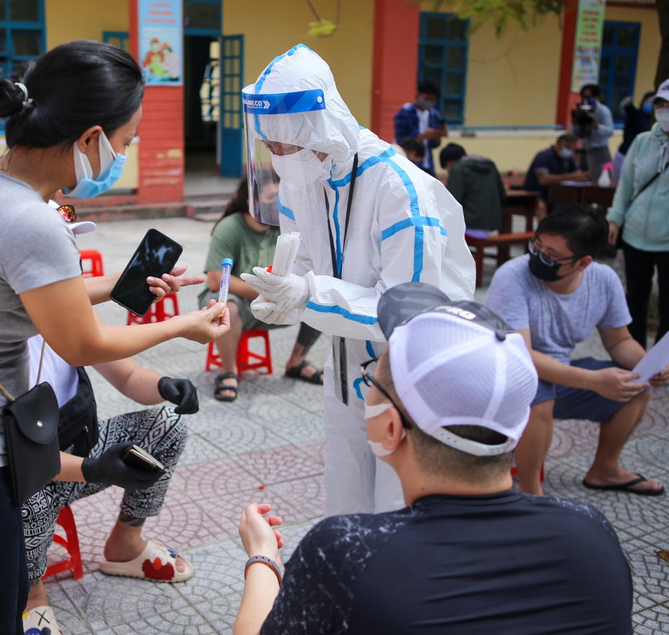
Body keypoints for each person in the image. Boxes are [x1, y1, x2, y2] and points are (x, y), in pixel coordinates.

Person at [0, 40, 228, 635]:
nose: (125, 152)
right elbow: (83, 346)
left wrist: (122, 282)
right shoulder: (34, 222)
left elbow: (27, 287)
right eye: (125, 141)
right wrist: (186, 326)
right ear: (90, 138)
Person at [234, 282, 633, 634]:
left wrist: (263, 556)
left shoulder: (345, 551)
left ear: (390, 427)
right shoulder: (591, 531)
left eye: (373, 378)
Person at [239, 44, 476, 516]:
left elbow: (407, 314)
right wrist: (285, 292)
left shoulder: (397, 190)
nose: (278, 157)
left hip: (408, 377)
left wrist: (307, 295)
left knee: (398, 505)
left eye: (285, 145)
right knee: (345, 495)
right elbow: (303, 261)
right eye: (269, 146)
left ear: (318, 129)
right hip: (346, 368)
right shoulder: (302, 175)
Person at [21, 322, 197, 633]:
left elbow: (128, 376)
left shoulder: (62, 315)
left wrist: (165, 385)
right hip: (27, 472)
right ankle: (30, 594)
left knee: (167, 426)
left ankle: (126, 545)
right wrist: (95, 469)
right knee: (26, 500)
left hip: (85, 453)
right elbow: (17, 456)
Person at [485, 204, 667, 496]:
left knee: (636, 388)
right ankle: (531, 493)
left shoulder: (603, 280)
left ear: (583, 263)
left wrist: (649, 366)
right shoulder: (513, 277)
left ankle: (605, 469)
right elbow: (521, 355)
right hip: (507, 374)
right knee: (538, 397)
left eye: (552, 255)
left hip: (561, 374)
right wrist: (593, 381)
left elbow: (619, 341)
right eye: (537, 245)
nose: (538, 256)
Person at [199, 177, 324, 402]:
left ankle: (296, 361)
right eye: (270, 198)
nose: (276, 204)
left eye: (280, 198)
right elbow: (216, 280)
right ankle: (229, 372)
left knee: (320, 293)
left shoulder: (285, 230)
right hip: (241, 305)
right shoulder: (230, 227)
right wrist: (265, 291)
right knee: (227, 306)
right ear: (252, 200)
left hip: (277, 304)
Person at [606, 79, 669, 349]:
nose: (664, 111)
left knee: (668, 302)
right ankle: (635, 356)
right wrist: (615, 217)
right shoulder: (643, 141)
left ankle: (663, 361)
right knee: (634, 299)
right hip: (635, 234)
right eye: (660, 105)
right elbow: (627, 185)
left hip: (667, 239)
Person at [438, 142, 506, 236]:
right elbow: (502, 194)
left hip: (468, 227)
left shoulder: (457, 169)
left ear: (449, 162)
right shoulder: (490, 165)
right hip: (491, 224)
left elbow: (453, 201)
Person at [394, 78, 448, 176]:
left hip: (428, 164)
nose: (429, 102)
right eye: (427, 98)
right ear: (418, 95)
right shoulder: (404, 113)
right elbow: (401, 141)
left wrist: (437, 135)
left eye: (433, 99)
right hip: (410, 164)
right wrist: (422, 136)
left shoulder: (434, 114)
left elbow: (434, 145)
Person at [521, 133, 591, 205]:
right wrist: (570, 177)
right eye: (568, 148)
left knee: (580, 204)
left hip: (558, 195)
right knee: (541, 206)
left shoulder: (568, 158)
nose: (570, 152)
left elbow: (577, 174)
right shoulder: (544, 156)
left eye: (572, 149)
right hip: (537, 195)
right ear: (559, 143)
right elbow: (543, 180)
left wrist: (583, 176)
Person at [569, 83, 614, 181]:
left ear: (596, 97)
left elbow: (610, 131)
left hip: (600, 150)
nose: (586, 99)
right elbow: (575, 134)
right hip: (584, 150)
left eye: (589, 96)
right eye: (584, 96)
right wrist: (574, 121)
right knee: (584, 178)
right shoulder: (580, 110)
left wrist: (596, 125)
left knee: (604, 178)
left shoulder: (603, 110)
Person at [613, 90, 655, 183]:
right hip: (625, 154)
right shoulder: (637, 115)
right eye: (648, 102)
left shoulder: (654, 120)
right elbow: (631, 111)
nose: (650, 105)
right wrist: (628, 105)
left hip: (642, 157)